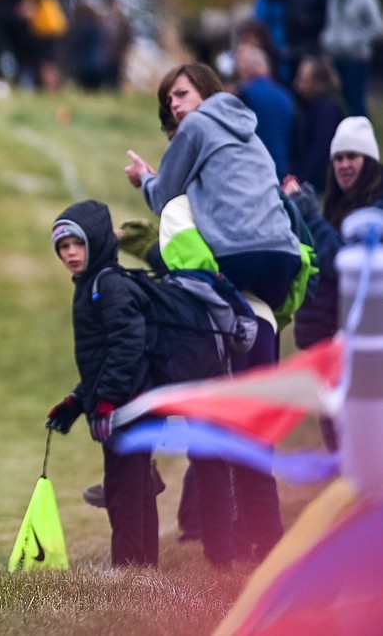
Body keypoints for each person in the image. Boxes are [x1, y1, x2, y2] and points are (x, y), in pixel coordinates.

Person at [125, 62, 303, 563]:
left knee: (214, 430)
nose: (175, 106)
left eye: (180, 94)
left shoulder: (197, 129)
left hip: (237, 266)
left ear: (205, 91)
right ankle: (265, 545)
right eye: (169, 103)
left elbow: (165, 198)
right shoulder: (252, 133)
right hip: (280, 264)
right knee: (252, 433)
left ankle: (221, 549)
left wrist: (145, 178)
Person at [45, 200, 159, 568]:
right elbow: (101, 356)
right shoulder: (91, 283)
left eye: (77, 243)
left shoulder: (108, 283)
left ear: (94, 241)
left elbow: (128, 344)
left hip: (128, 405)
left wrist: (107, 400)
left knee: (125, 491)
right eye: (63, 247)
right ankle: (143, 572)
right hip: (125, 402)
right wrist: (78, 402)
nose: (71, 253)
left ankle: (128, 572)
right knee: (136, 488)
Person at [284, 116, 383, 451]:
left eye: (352, 157)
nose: (343, 165)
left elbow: (347, 266)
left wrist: (309, 216)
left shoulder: (377, 212)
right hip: (328, 352)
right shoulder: (337, 208)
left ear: (369, 162)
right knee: (338, 447)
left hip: (361, 354)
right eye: (338, 158)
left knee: (358, 450)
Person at [320, 0, 383, 118]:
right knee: (339, 99)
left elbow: (377, 26)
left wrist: (357, 41)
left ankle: (362, 136)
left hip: (356, 57)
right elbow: (331, 22)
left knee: (356, 101)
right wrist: (327, 39)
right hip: (335, 55)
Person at [263, 0, 329, 87]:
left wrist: (310, 21)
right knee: (291, 82)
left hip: (312, 44)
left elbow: (326, 18)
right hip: (292, 43)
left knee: (309, 81)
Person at [234, 43, 295, 181]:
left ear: (247, 67)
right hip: (280, 169)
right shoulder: (285, 96)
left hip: (254, 169)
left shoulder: (245, 94)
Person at [290, 55, 346, 195]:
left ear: (317, 82)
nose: (297, 83)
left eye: (303, 79)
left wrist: (301, 180)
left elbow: (319, 151)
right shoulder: (308, 107)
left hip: (320, 186)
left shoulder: (326, 111)